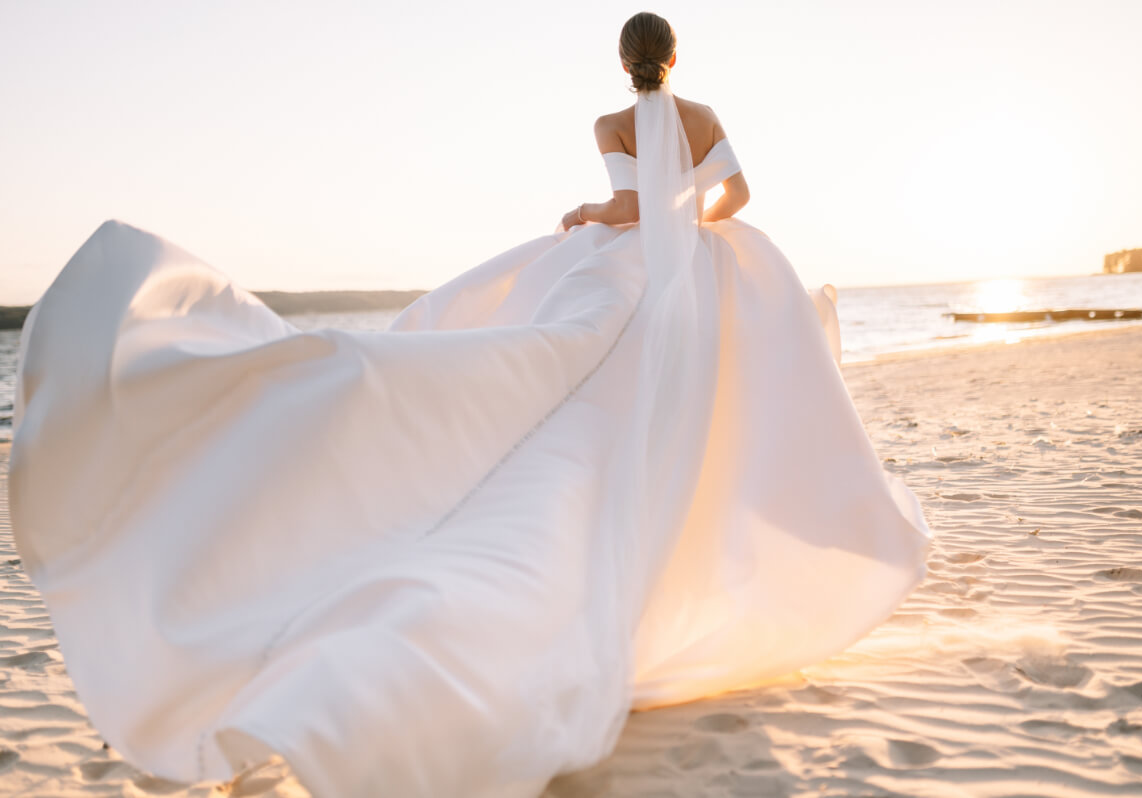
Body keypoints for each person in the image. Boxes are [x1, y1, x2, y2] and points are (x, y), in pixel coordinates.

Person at [10, 11, 930, 798]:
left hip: (633, 264)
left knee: (566, 371)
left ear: (625, 63)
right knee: (698, 414)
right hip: (703, 260)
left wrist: (585, 213)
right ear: (674, 59)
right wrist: (698, 229)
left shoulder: (612, 120)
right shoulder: (703, 115)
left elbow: (624, 212)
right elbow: (734, 194)